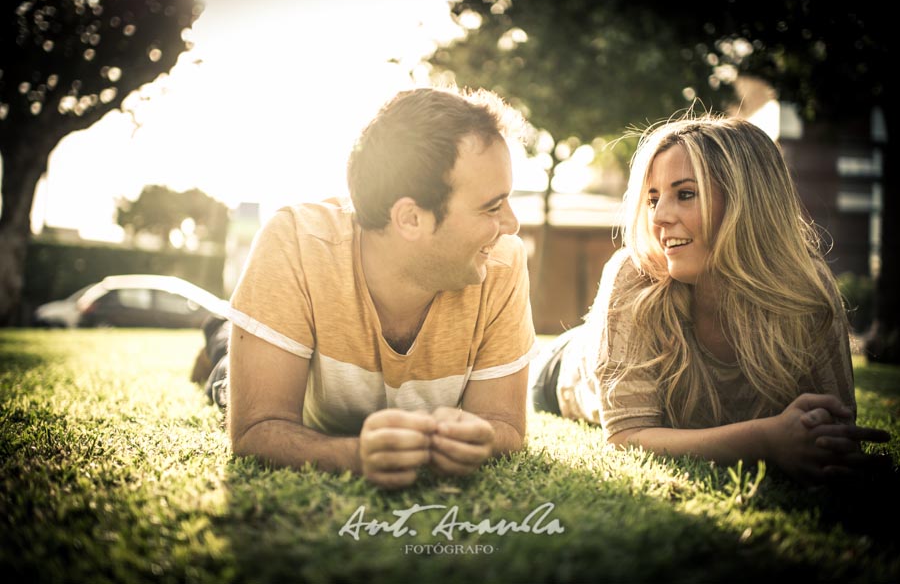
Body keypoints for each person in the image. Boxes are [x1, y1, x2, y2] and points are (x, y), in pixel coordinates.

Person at [193, 87, 536, 489]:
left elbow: (506, 426)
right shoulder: (295, 242)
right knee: (225, 372)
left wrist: (478, 436)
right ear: (410, 218)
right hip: (284, 357)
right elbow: (256, 429)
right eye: (492, 207)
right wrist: (353, 456)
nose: (512, 224)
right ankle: (220, 333)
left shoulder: (501, 259)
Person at [530, 115, 889, 482]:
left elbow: (831, 424)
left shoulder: (806, 288)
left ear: (747, 203)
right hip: (561, 372)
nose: (659, 218)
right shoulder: (633, 274)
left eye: (685, 194)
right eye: (653, 199)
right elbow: (625, 438)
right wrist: (764, 440)